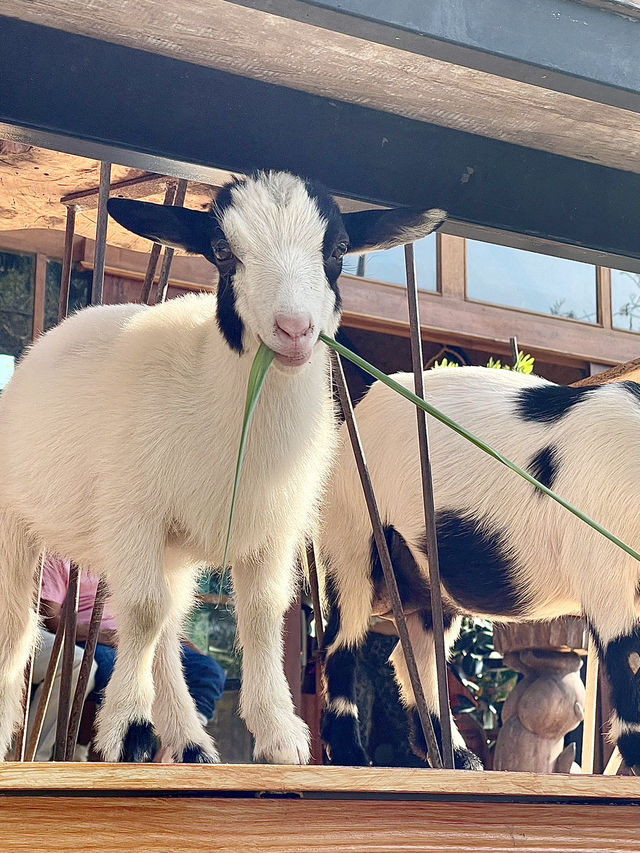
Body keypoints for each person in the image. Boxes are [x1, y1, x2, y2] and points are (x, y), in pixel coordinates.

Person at [40, 555, 226, 755]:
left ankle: (175, 746)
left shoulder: (135, 554)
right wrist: (99, 635)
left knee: (207, 669)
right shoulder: (61, 555)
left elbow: (159, 612)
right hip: (95, 639)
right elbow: (51, 619)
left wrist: (192, 650)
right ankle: (120, 753)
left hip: (145, 636)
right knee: (116, 671)